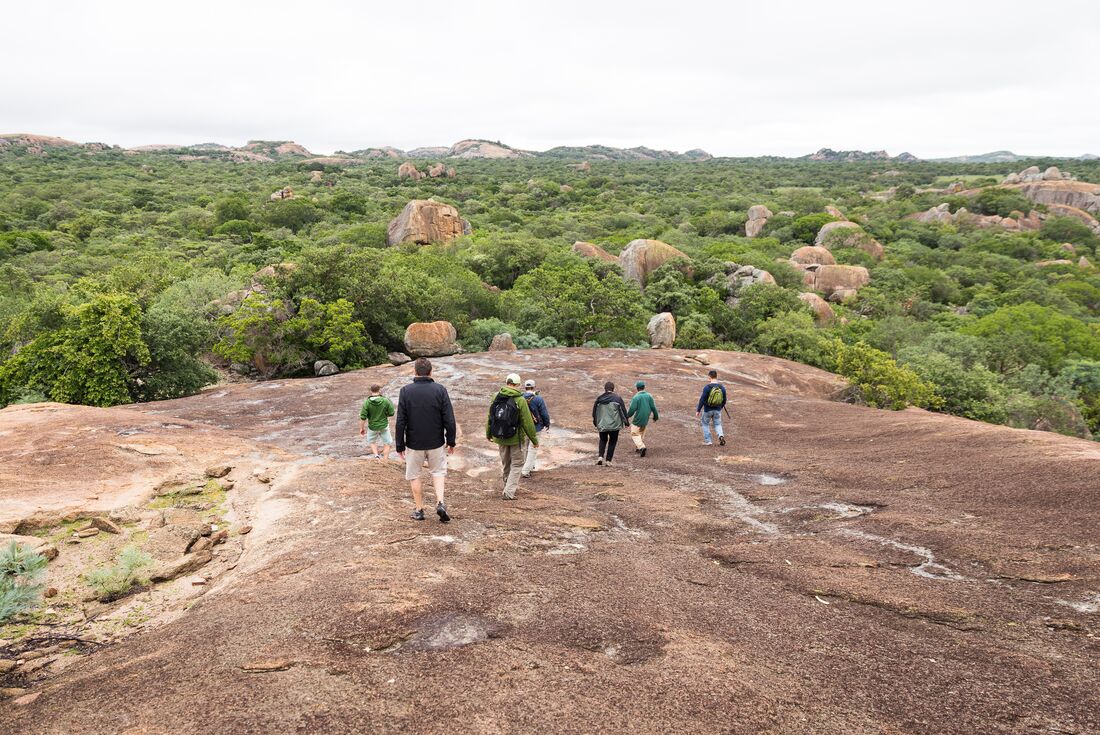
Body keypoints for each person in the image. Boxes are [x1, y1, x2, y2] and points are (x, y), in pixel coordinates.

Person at [395, 358, 457, 522]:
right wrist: (451, 441)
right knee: (438, 472)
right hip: (436, 442)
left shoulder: (405, 391)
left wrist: (399, 445)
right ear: (431, 372)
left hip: (414, 443)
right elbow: (449, 419)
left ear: (415, 372)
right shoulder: (440, 390)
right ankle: (440, 502)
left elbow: (401, 420)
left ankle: (419, 509)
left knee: (414, 475)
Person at [487, 373, 539, 500]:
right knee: (517, 464)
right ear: (517, 385)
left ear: (506, 382)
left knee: (506, 464)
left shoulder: (496, 396)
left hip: (500, 436)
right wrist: (534, 439)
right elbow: (527, 422)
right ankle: (509, 492)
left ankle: (507, 487)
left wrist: (488, 433)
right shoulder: (520, 399)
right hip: (516, 438)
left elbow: (490, 417)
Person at [592, 381, 628, 466]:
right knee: (612, 441)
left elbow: (594, 412)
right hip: (615, 425)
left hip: (602, 424)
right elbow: (623, 411)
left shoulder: (599, 399)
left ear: (605, 389)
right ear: (613, 389)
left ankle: (600, 457)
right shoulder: (617, 398)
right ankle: (608, 461)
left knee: (603, 440)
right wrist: (626, 422)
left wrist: (596, 422)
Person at [520, 379, 551, 478]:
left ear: (525, 388)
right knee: (533, 449)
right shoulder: (538, 399)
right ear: (534, 387)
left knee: (524, 448)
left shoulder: (520, 398)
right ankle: (525, 471)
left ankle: (527, 466)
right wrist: (547, 424)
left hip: (523, 427)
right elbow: (544, 413)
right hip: (536, 428)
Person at [359, 384, 395, 459]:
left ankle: (376, 456)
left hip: (372, 427)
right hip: (384, 425)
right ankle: (385, 460)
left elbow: (363, 417)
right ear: (379, 390)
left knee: (372, 441)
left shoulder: (367, 402)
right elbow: (391, 413)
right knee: (387, 443)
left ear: (371, 391)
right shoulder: (385, 400)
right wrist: (384, 415)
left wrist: (361, 428)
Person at [626, 380, 659, 458]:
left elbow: (632, 409)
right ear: (644, 387)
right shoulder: (649, 396)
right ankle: (638, 448)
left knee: (634, 433)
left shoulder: (636, 397)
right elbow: (653, 407)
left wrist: (627, 416)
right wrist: (656, 416)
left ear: (637, 388)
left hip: (637, 419)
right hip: (645, 419)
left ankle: (641, 447)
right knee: (641, 432)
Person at [696, 369, 728, 447]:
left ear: (709, 377)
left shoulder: (707, 387)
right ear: (716, 376)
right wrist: (720, 407)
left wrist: (698, 410)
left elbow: (702, 399)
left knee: (705, 424)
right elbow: (724, 399)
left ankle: (708, 441)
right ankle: (720, 435)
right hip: (717, 410)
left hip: (707, 410)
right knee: (717, 424)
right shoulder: (721, 387)